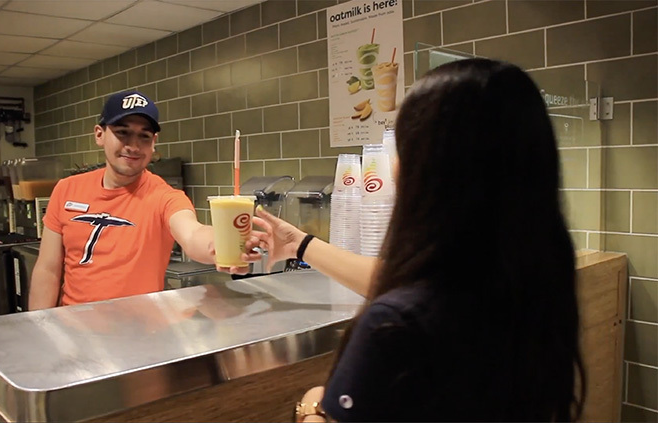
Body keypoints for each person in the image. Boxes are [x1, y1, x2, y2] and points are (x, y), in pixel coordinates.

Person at [256, 59, 585, 421]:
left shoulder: (393, 326)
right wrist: (300, 244)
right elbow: (409, 285)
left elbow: (410, 302)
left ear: (434, 169)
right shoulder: (535, 285)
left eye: (401, 149)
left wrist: (313, 408)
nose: (394, 168)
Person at [29, 90, 264, 309]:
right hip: (72, 330)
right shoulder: (67, 189)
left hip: (139, 333)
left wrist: (221, 243)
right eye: (123, 133)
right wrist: (38, 328)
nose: (133, 146)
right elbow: (48, 269)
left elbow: (193, 234)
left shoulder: (164, 196)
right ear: (99, 135)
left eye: (144, 136)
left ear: (154, 143)